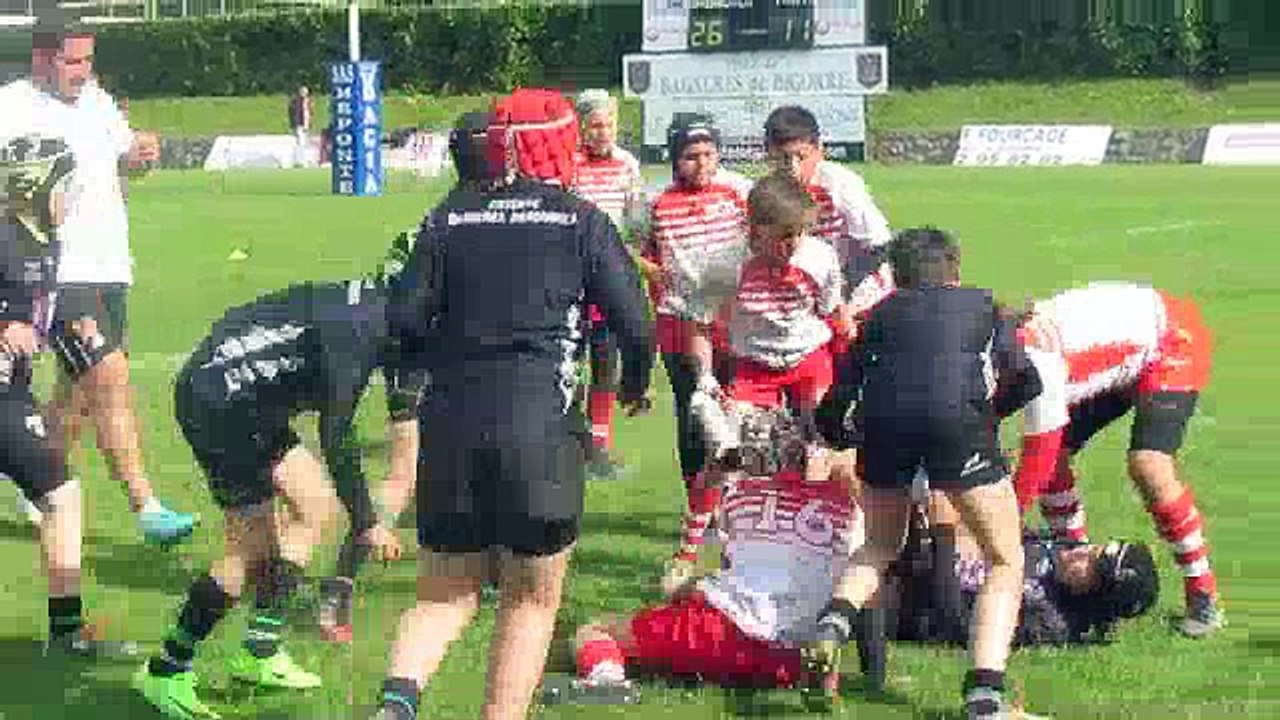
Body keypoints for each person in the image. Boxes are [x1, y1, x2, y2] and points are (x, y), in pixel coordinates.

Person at [368, 88, 654, 720]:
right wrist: (635, 383)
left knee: (443, 595)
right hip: (539, 432)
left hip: (449, 428)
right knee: (529, 601)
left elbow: (404, 319)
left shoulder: (449, 217)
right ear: (562, 144)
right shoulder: (580, 219)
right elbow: (636, 322)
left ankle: (395, 704)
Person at [131, 272, 419, 719]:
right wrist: (367, 522)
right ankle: (166, 669)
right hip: (221, 406)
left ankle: (259, 651)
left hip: (250, 400)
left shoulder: (381, 309)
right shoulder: (360, 331)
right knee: (251, 552)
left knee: (314, 508)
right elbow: (338, 436)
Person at [809, 228, 1043, 719]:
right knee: (1004, 559)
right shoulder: (983, 305)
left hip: (884, 425)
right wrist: (986, 415)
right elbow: (1026, 378)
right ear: (954, 269)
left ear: (894, 276)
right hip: (958, 425)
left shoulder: (877, 317)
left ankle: (832, 623)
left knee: (877, 547)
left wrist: (842, 440)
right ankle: (984, 691)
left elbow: (836, 401)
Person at [560, 403, 863, 701]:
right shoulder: (858, 497)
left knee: (596, 632)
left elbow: (712, 503)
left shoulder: (742, 489)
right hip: (796, 652)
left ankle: (607, 681)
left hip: (715, 632)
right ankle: (821, 679)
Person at [23, 24, 194, 545]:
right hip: (56, 271)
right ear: (42, 59)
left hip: (111, 266)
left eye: (88, 60)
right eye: (73, 62)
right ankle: (146, 506)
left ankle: (37, 482)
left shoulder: (98, 102)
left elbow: (123, 165)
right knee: (110, 374)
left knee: (74, 394)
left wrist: (138, 157)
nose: (84, 72)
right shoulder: (11, 109)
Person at [0, 46, 139, 662]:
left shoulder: (45, 246)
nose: (71, 197)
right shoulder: (12, 244)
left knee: (60, 492)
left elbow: (45, 312)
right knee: (61, 494)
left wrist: (74, 328)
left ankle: (65, 631)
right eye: (64, 185)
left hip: (11, 398)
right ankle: (67, 633)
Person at [665, 172, 846, 593]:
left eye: (799, 235)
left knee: (823, 453)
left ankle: (821, 550)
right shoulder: (724, 264)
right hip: (753, 366)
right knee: (729, 459)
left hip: (809, 359)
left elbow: (834, 317)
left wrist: (849, 370)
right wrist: (706, 378)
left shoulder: (819, 257)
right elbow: (701, 326)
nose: (791, 246)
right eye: (782, 236)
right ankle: (688, 553)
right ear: (754, 229)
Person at [1011, 281, 1223, 638]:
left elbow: (1038, 457)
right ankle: (1070, 555)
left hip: (1171, 338)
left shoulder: (1040, 368)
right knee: (1058, 452)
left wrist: (1003, 517)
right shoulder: (1016, 355)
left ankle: (1202, 590)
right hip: (1111, 353)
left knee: (1148, 463)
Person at [637, 115, 751, 575]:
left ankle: (737, 504)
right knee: (692, 413)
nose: (701, 163)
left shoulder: (739, 191)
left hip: (733, 323)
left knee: (737, 412)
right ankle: (698, 507)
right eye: (690, 155)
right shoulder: (654, 201)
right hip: (679, 323)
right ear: (674, 158)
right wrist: (655, 273)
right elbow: (633, 249)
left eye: (708, 153)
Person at [572, 89, 646, 479]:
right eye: (596, 126)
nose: (604, 133)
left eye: (610, 125)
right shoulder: (568, 164)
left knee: (606, 361)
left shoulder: (626, 164)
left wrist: (630, 263)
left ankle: (599, 445)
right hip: (571, 277)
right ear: (581, 126)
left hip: (611, 277)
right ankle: (573, 442)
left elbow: (636, 224)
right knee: (572, 362)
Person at [762, 106, 894, 324]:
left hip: (858, 293)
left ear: (819, 149)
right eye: (784, 159)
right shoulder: (769, 190)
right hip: (807, 293)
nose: (793, 168)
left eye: (801, 157)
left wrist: (839, 291)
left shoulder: (839, 183)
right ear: (769, 154)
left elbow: (879, 245)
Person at [288, 85, 312, 168]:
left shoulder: (308, 101)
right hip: (299, 125)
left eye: (306, 92)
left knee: (305, 143)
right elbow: (292, 114)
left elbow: (309, 113)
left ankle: (302, 160)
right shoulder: (296, 101)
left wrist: (309, 124)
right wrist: (292, 125)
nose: (305, 94)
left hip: (306, 125)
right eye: (303, 92)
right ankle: (299, 161)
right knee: (300, 143)